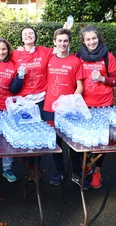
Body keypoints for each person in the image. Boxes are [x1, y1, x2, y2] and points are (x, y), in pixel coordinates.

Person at [43, 28, 89, 190]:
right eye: (59, 41)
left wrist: (70, 101)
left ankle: (76, 173)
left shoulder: (75, 61)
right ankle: (59, 172)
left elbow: (80, 86)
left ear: (69, 43)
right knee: (56, 144)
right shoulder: (48, 58)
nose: (62, 44)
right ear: (54, 42)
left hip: (69, 110)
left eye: (65, 41)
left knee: (73, 144)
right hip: (50, 108)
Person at [76, 25, 116, 189]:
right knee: (85, 138)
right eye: (88, 39)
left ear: (99, 39)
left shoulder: (108, 57)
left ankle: (97, 172)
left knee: (101, 142)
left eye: (94, 38)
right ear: (83, 41)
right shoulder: (78, 56)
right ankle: (87, 164)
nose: (91, 41)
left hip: (103, 106)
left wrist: (103, 78)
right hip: (84, 105)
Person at [12, 26, 55, 181]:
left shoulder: (44, 51)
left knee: (39, 135)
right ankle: (31, 167)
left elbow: (62, 48)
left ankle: (35, 166)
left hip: (41, 100)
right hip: (24, 102)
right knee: (27, 136)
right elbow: (0, 56)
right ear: (22, 39)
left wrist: (66, 29)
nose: (28, 35)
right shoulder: (15, 54)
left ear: (35, 37)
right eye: (25, 34)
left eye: (31, 33)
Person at [0, 38, 24, 183]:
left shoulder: (14, 65)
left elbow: (16, 88)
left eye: (4, 49)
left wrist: (20, 76)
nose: (1, 52)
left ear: (8, 50)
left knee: (8, 139)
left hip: (9, 108)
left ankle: (7, 168)